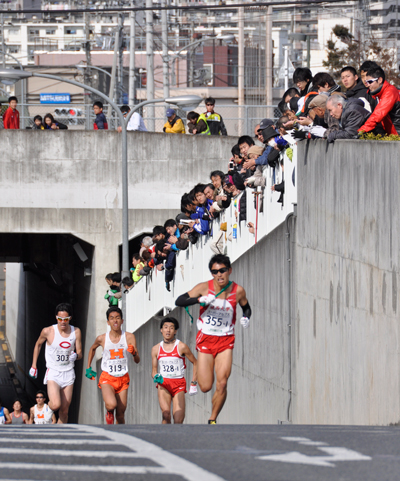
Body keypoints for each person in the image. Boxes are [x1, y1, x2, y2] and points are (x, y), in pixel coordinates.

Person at [175, 254, 251, 424]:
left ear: (229, 270)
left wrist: (246, 318)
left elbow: (247, 308)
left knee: (222, 383)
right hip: (206, 340)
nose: (219, 275)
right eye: (215, 271)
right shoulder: (204, 287)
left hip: (225, 340)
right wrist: (199, 299)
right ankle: (196, 381)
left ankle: (213, 418)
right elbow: (179, 300)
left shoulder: (238, 291)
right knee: (206, 386)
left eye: (222, 270)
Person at [29, 302, 82, 424]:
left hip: (68, 373)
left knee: (64, 411)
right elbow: (38, 345)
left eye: (66, 319)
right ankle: (47, 409)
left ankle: (59, 435)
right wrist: (34, 365)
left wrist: (76, 355)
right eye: (60, 319)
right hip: (53, 372)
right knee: (56, 404)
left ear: (70, 318)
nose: (62, 322)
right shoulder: (48, 331)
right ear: (56, 317)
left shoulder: (76, 332)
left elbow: (80, 352)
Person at [86, 307, 140, 424]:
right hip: (107, 377)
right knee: (111, 405)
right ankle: (109, 412)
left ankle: (120, 437)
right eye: (112, 318)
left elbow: (137, 360)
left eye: (117, 318)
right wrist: (88, 367)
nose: (115, 321)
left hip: (123, 378)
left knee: (120, 415)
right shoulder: (102, 338)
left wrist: (134, 353)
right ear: (108, 322)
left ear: (122, 321)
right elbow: (92, 349)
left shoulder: (129, 337)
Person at [151, 317, 198, 424]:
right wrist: (155, 376)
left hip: (178, 384)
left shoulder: (181, 346)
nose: (168, 330)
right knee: (166, 414)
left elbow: (196, 362)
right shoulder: (156, 349)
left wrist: (194, 382)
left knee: (178, 420)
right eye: (165, 327)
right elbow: (153, 371)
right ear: (161, 330)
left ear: (175, 331)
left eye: (171, 328)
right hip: (164, 383)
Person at [358, 64, 400, 136]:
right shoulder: (377, 94)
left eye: (370, 82)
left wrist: (361, 131)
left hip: (397, 136)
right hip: (392, 136)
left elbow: (378, 115)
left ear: (380, 80)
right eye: (367, 82)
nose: (368, 85)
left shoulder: (390, 92)